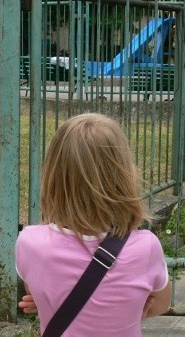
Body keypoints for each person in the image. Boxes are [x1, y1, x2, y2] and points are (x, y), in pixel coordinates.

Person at [15, 113, 172, 336]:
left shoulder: (30, 243)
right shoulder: (146, 247)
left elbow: (41, 293)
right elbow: (160, 305)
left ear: (53, 175)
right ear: (124, 175)